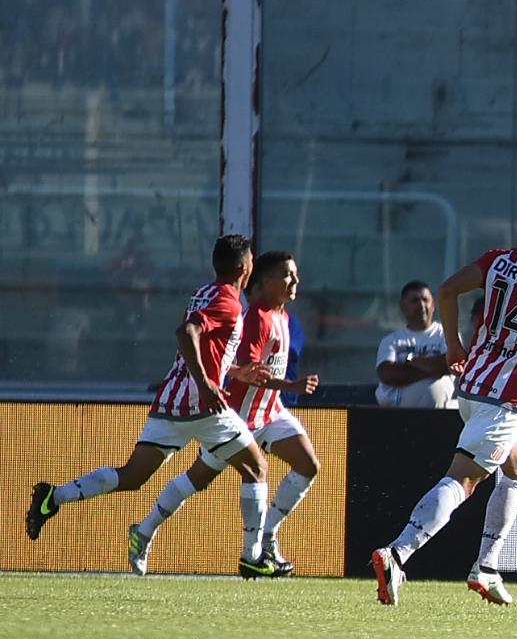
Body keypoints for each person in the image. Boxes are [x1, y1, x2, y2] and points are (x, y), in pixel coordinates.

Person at [371, 189, 517, 607]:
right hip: (504, 398)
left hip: (472, 386)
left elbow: (449, 289)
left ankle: (486, 568)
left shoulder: (499, 259)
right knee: (462, 480)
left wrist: (453, 345)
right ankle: (397, 553)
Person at [25, 235, 280, 578]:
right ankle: (252, 556)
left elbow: (206, 347)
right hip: (200, 406)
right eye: (250, 262)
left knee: (132, 476)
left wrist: (233, 371)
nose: (251, 267)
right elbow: (186, 332)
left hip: (171, 402)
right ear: (242, 268)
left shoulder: (204, 292)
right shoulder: (229, 303)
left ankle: (54, 497)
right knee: (256, 467)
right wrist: (206, 384)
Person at [214, 250, 322, 577]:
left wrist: (287, 389)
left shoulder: (285, 318)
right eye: (287, 275)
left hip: (270, 412)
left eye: (296, 275)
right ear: (263, 282)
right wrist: (294, 385)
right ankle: (146, 528)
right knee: (192, 481)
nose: (295, 281)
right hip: (240, 417)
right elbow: (251, 372)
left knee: (308, 464)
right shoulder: (255, 318)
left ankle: (265, 537)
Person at [375, 280, 455, 409]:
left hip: (441, 417)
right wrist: (434, 369)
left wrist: (411, 361)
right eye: (414, 301)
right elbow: (388, 374)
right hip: (398, 415)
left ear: (433, 304)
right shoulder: (391, 340)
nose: (421, 305)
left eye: (425, 300)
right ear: (403, 306)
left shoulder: (446, 334)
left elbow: (450, 363)